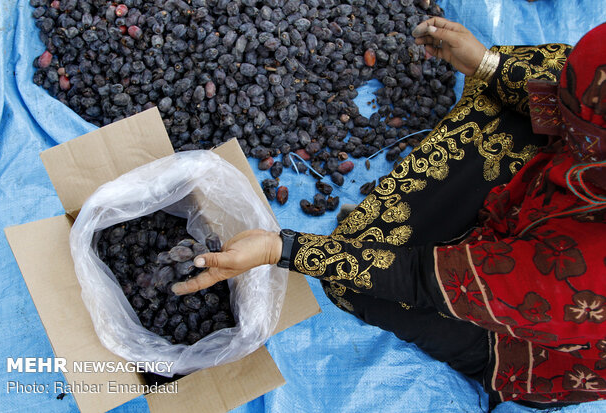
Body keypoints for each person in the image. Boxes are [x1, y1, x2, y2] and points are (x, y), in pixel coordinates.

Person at [173, 18, 606, 408]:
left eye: (566, 111)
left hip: (524, 327)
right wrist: (488, 66)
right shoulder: (586, 126)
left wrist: (281, 248)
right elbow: (567, 96)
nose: (556, 105)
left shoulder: (580, 276)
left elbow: (417, 278)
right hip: (565, 190)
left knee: (355, 281)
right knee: (516, 101)